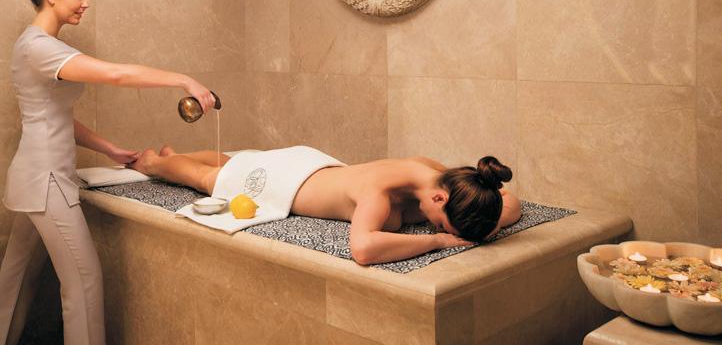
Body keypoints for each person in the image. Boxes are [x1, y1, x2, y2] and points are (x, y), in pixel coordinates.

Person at [0, 0, 217, 345]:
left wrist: (109, 149)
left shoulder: (38, 45)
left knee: (15, 279)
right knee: (84, 281)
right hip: (46, 181)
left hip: (34, 176)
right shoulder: (40, 47)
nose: (86, 3)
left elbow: (53, 117)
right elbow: (116, 74)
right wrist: (183, 79)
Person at [127, 146, 522, 265]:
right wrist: (437, 242)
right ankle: (155, 161)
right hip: (288, 182)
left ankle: (177, 155)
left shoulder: (445, 178)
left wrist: (487, 227)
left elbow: (510, 204)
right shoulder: (378, 193)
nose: (438, 228)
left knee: (234, 160)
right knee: (208, 179)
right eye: (442, 223)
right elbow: (363, 249)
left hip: (316, 165)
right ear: (439, 200)